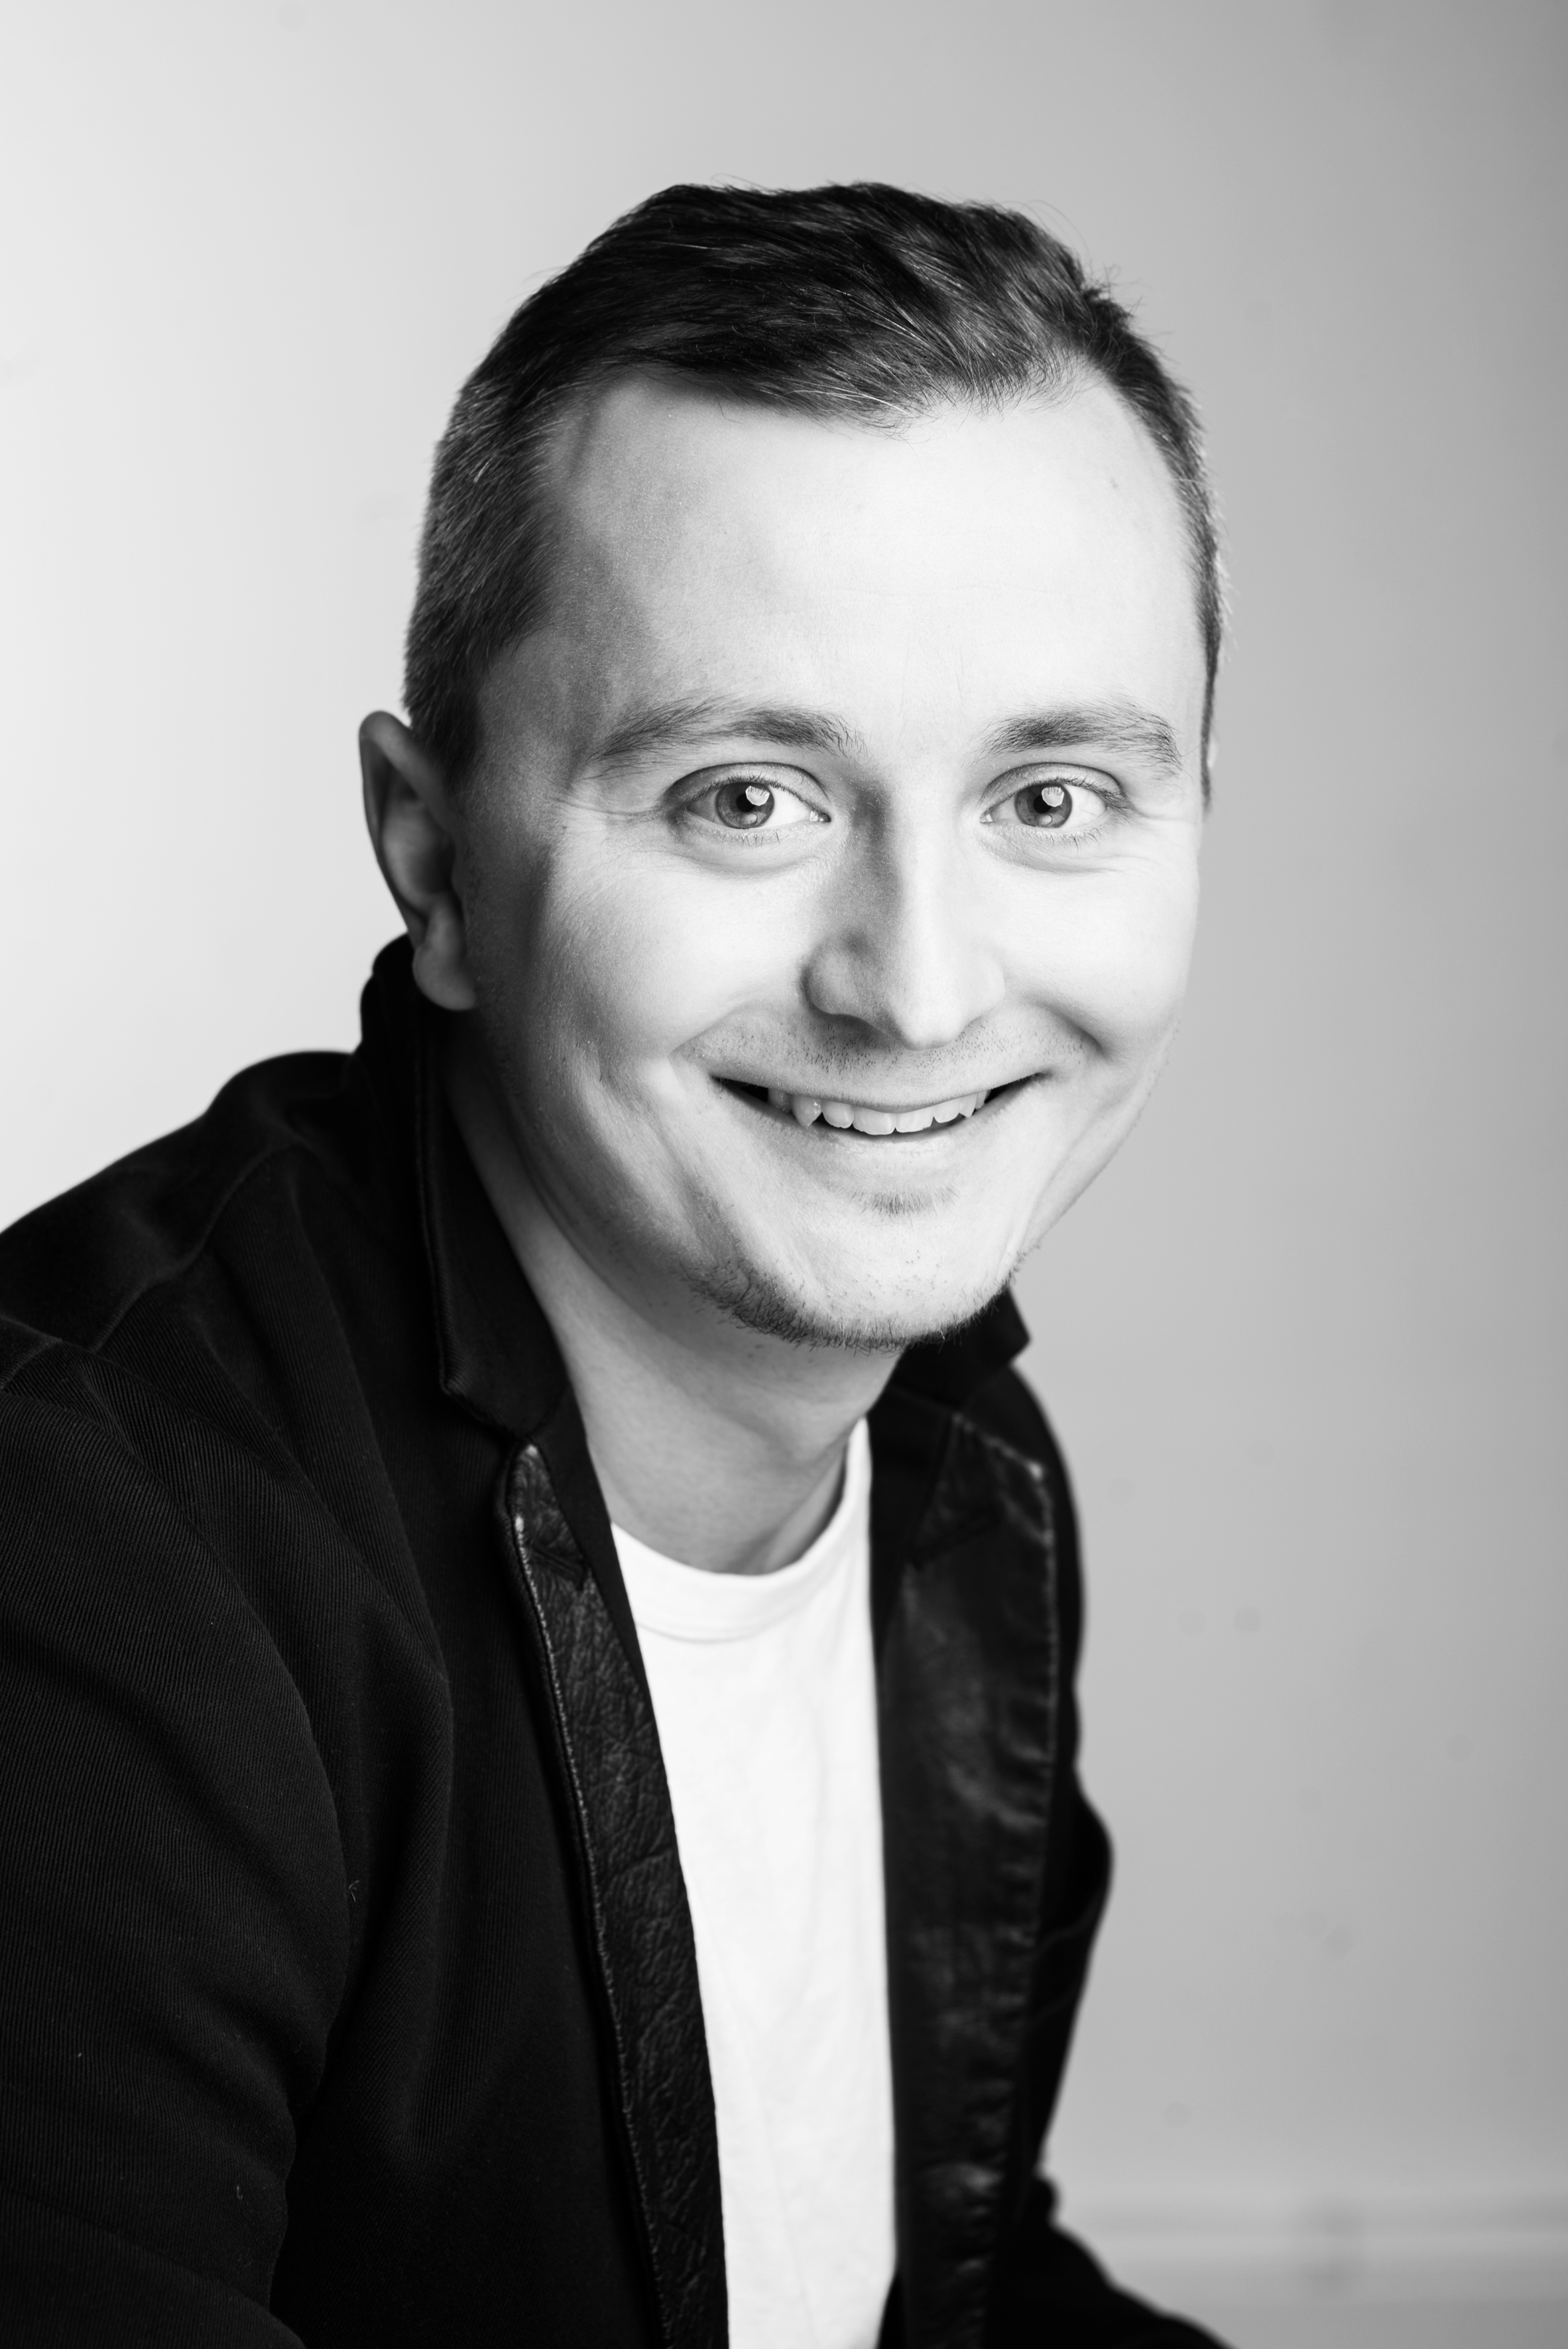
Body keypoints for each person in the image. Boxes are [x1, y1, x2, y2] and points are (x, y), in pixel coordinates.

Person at [0, 184, 1229, 2347]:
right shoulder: (88, 1556)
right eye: (748, 798)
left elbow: (930, 2295)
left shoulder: (961, 1470)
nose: (920, 990)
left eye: (1050, 799)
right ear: (435, 864)